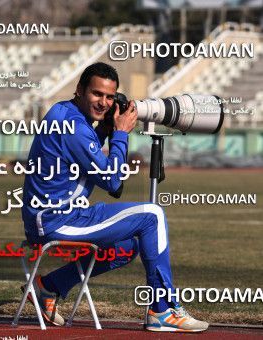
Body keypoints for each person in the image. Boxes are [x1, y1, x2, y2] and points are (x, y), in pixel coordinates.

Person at [20, 62, 208, 332]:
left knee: (128, 246)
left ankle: (48, 287)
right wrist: (120, 134)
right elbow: (112, 180)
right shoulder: (72, 125)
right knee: (152, 215)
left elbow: (96, 169)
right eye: (97, 94)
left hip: (61, 214)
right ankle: (163, 310)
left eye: (110, 97)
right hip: (56, 219)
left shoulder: (65, 113)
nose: (104, 103)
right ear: (80, 90)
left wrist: (105, 131)